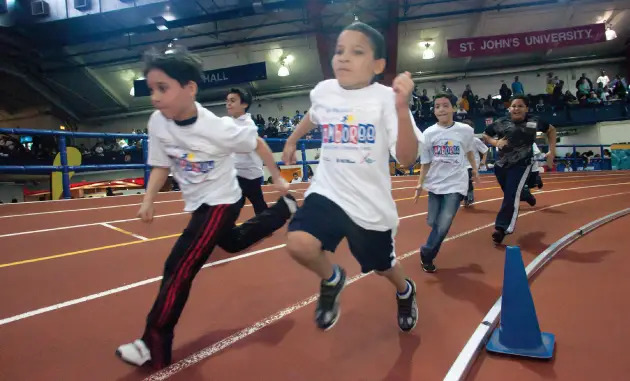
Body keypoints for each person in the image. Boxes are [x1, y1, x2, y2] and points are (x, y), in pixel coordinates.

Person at [115, 47, 297, 370]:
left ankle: (152, 343)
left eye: (163, 88)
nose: (154, 97)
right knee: (233, 241)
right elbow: (160, 165)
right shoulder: (158, 122)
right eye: (151, 89)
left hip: (221, 201)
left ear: (189, 88)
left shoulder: (216, 128)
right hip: (198, 203)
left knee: (180, 265)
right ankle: (284, 210)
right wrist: (148, 199)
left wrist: (278, 178)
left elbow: (257, 143)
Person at [281, 21, 424, 332]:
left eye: (356, 52)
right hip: (328, 191)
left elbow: (407, 159)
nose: (343, 58)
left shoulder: (387, 99)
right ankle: (332, 279)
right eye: (339, 51)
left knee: (383, 267)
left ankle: (405, 289)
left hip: (369, 205)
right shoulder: (324, 90)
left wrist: (402, 109)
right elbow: (313, 113)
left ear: (378, 65)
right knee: (299, 243)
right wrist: (293, 139)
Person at [413, 94, 477, 273]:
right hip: (435, 183)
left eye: (445, 105)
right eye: (437, 106)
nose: (441, 109)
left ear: (453, 109)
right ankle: (436, 235)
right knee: (434, 221)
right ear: (434, 111)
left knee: (444, 222)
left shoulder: (465, 130)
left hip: (456, 183)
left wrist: (475, 169)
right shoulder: (428, 133)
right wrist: (420, 184)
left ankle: (427, 254)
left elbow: (470, 150)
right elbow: (425, 161)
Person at [483, 95, 556, 244]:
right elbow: (486, 135)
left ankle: (502, 228)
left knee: (510, 196)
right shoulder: (501, 123)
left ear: (526, 109)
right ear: (509, 108)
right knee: (511, 191)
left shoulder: (534, 121)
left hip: (522, 164)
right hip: (501, 164)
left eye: (520, 106)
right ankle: (525, 194)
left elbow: (551, 130)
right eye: (513, 106)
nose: (516, 109)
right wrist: (495, 142)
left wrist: (552, 151)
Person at [226, 87, 268, 215]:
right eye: (227, 101)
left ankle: (269, 221)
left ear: (244, 104)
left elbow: (245, 146)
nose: (228, 104)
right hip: (236, 172)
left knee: (257, 202)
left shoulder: (249, 126)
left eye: (232, 100)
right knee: (236, 204)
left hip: (250, 173)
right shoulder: (229, 122)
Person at [462, 119, 489, 206]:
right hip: (462, 164)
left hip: (472, 164)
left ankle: (469, 197)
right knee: (463, 181)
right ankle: (467, 196)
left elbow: (485, 150)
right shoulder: (459, 140)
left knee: (467, 179)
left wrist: (483, 161)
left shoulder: (475, 140)